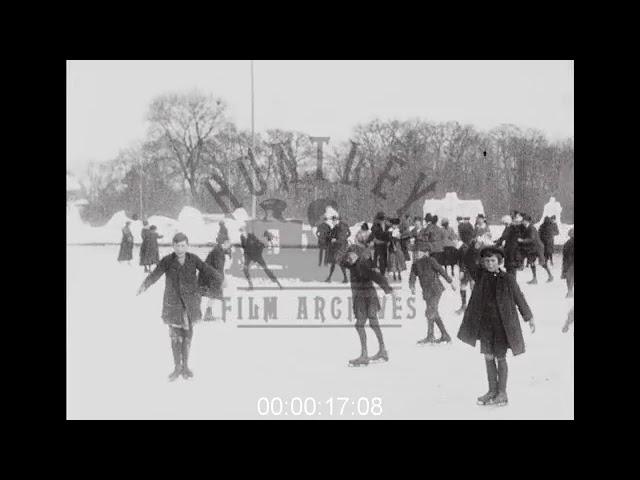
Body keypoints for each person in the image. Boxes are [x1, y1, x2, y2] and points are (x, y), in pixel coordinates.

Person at [136, 233, 222, 381]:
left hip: (190, 305)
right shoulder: (167, 261)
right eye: (177, 246)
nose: (180, 248)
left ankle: (186, 366)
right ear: (173, 246)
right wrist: (144, 285)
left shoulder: (193, 259)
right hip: (173, 305)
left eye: (183, 245)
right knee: (175, 337)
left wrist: (221, 279)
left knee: (188, 336)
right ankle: (177, 366)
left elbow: (206, 269)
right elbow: (155, 274)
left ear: (187, 246)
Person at [457, 246, 535, 406]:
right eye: (486, 261)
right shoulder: (481, 276)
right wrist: (474, 244)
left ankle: (502, 392)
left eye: (493, 261)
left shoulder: (508, 279)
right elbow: (470, 261)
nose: (489, 264)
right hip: (485, 325)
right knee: (488, 356)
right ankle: (492, 390)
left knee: (500, 356)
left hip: (502, 325)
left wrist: (529, 317)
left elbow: (519, 298)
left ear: (500, 262)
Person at [340, 248, 394, 366]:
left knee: (363, 324)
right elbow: (342, 262)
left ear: (357, 256)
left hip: (367, 298)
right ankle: (381, 350)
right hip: (363, 298)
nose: (349, 259)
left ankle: (369, 354)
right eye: (349, 257)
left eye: (352, 256)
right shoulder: (353, 265)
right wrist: (347, 255)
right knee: (369, 323)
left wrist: (387, 289)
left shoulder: (362, 265)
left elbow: (376, 276)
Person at [409, 246, 456, 344]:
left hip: (435, 289)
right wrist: (412, 286)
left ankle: (434, 335)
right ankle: (442, 335)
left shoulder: (431, 260)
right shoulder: (415, 264)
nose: (417, 254)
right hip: (426, 291)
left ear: (426, 252)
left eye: (419, 252)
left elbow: (441, 271)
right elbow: (412, 276)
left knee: (430, 311)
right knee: (432, 312)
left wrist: (450, 282)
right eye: (416, 252)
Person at [518, 214, 553, 284]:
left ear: (527, 221)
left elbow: (531, 238)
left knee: (542, 263)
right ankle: (534, 279)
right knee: (531, 262)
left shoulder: (531, 228)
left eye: (523, 221)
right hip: (532, 248)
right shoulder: (526, 227)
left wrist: (522, 240)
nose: (522, 222)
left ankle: (550, 276)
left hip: (538, 248)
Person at [200, 239, 229, 321]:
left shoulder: (219, 250)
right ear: (224, 243)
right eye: (228, 243)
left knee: (213, 294)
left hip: (209, 275)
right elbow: (218, 267)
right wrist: (222, 279)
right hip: (210, 276)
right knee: (213, 294)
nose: (229, 245)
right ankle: (206, 314)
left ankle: (208, 314)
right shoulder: (218, 252)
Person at [495, 213, 524, 279]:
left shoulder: (511, 228)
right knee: (510, 269)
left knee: (511, 269)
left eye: (505, 223)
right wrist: (497, 242)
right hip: (510, 251)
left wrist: (497, 244)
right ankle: (511, 284)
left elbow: (504, 237)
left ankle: (512, 285)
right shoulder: (510, 228)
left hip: (512, 252)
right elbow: (503, 237)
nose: (505, 224)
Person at [326, 214, 352, 283]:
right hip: (341, 246)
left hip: (340, 247)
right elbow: (349, 233)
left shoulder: (340, 227)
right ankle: (330, 278)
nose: (333, 221)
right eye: (332, 220)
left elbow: (340, 238)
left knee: (338, 262)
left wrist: (335, 240)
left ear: (337, 220)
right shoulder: (342, 226)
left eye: (334, 220)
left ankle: (345, 278)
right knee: (335, 262)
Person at [561, 228, 574, 298]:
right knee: (570, 277)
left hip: (569, 263)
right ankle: (570, 291)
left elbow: (565, 255)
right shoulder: (568, 243)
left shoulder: (567, 243)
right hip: (570, 262)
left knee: (569, 277)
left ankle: (570, 291)